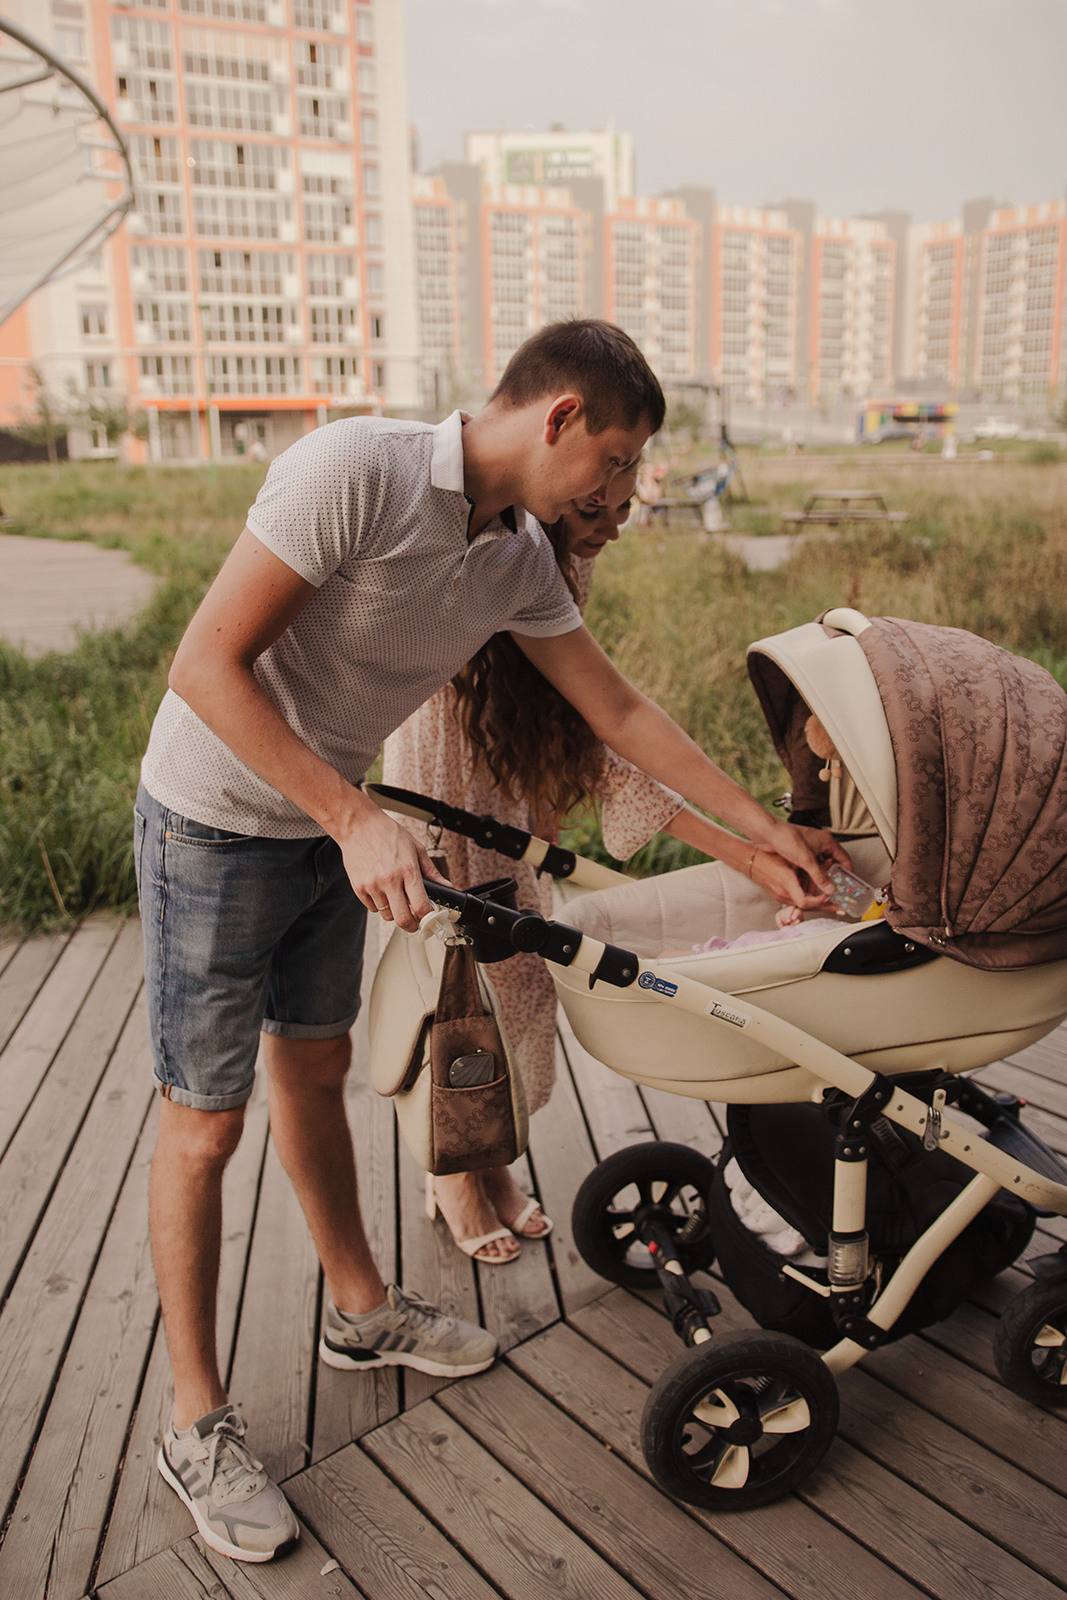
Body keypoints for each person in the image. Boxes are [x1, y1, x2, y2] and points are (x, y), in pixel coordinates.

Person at [136, 318, 842, 1564]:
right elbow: (204, 661)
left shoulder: (516, 556)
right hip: (212, 818)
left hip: (317, 828)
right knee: (204, 1119)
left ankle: (358, 1311)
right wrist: (352, 815)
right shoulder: (354, 472)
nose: (621, 495)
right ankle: (194, 1423)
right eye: (617, 465)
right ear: (559, 416)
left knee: (314, 1070)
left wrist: (752, 843)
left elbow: (615, 706)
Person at [384, 469, 815, 1263]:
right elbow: (443, 728)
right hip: (444, 804)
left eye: (623, 509)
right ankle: (453, 1177)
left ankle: (490, 1162)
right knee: (458, 1010)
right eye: (595, 509)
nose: (613, 527)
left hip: (511, 814)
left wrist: (749, 851)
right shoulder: (485, 567)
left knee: (517, 1006)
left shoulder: (565, 567)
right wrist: (426, 839)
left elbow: (592, 737)